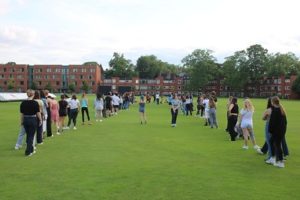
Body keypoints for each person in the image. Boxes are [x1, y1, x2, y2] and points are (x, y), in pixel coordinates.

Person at [266, 96, 287, 168]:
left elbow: (272, 122)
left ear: (272, 102)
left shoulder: (276, 110)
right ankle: (273, 158)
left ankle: (281, 162)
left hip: (277, 131)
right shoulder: (280, 109)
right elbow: (285, 122)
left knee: (277, 145)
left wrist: (270, 131)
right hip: (281, 131)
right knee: (271, 142)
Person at [20, 89, 42, 156]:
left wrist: (21, 121)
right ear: (33, 95)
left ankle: (31, 149)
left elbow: (22, 114)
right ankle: (28, 152)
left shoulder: (23, 103)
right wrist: (40, 120)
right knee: (31, 136)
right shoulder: (35, 103)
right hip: (32, 119)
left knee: (29, 135)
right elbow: (38, 113)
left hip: (25, 119)